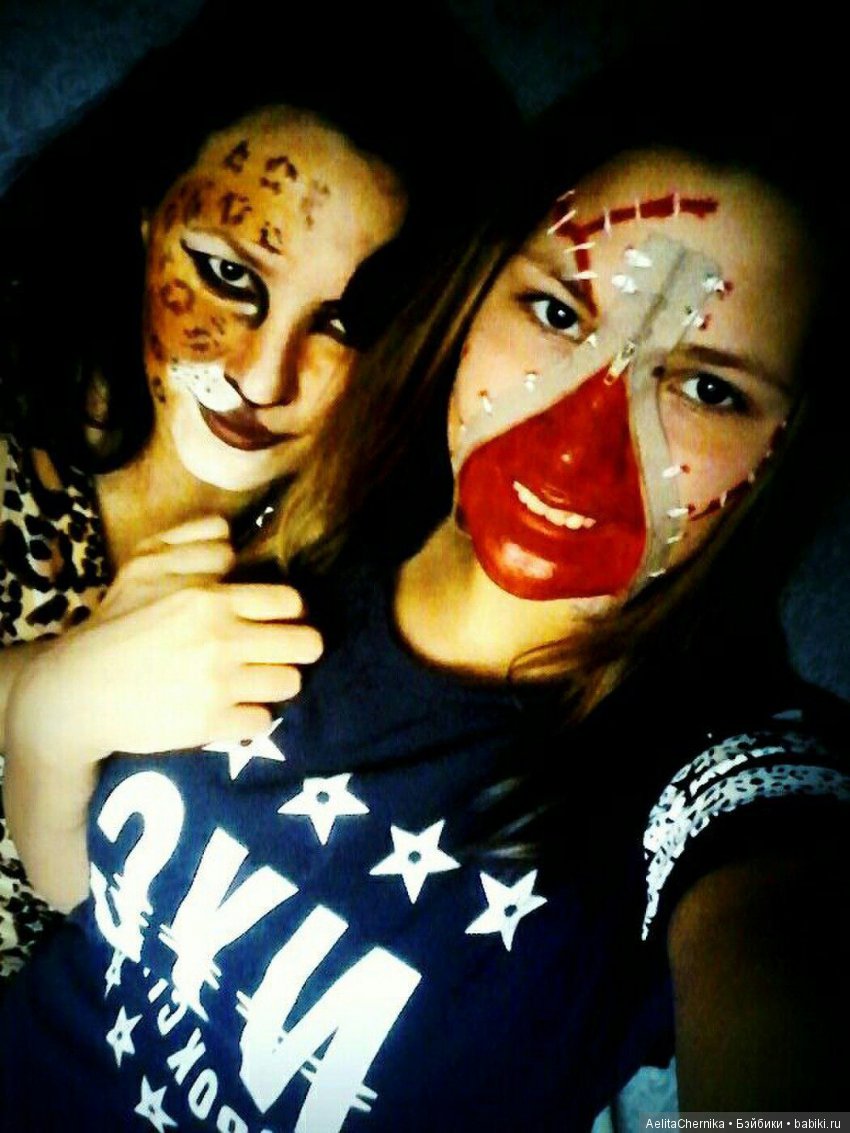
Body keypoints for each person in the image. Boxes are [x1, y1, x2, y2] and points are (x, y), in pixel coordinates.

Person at [2, 30, 848, 1129]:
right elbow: (93, 909)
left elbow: (785, 969)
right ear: (472, 294)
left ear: (789, 454)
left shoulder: (728, 777)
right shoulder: (306, 521)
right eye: (556, 312)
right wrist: (47, 722)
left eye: (708, 388)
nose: (576, 440)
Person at [0, 0, 516, 977]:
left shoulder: (360, 589)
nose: (263, 373)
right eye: (227, 272)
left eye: (346, 326)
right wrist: (40, 692)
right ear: (149, 208)